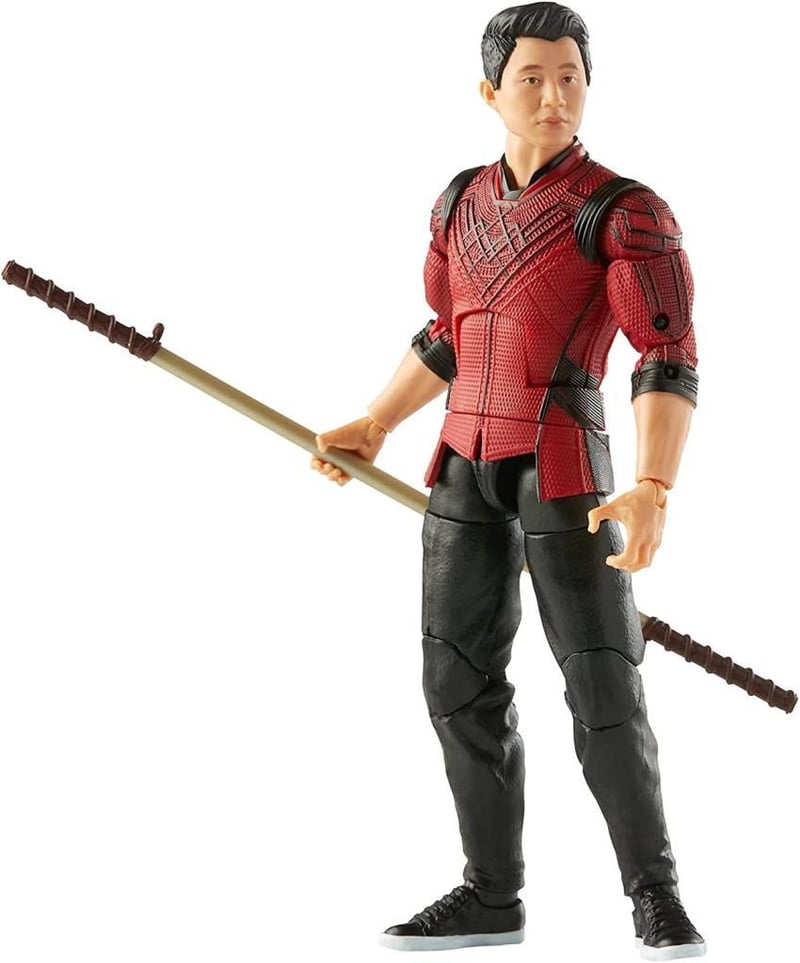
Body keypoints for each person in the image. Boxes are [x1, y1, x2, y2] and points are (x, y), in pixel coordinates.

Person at [311, 3, 705, 958]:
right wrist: (377, 420)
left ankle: (656, 896)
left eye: (570, 76)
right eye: (532, 77)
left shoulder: (625, 212)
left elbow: (666, 353)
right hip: (462, 461)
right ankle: (492, 895)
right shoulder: (460, 203)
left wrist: (653, 483)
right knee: (456, 684)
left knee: (602, 686)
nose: (554, 96)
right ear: (490, 91)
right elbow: (452, 333)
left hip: (564, 462)